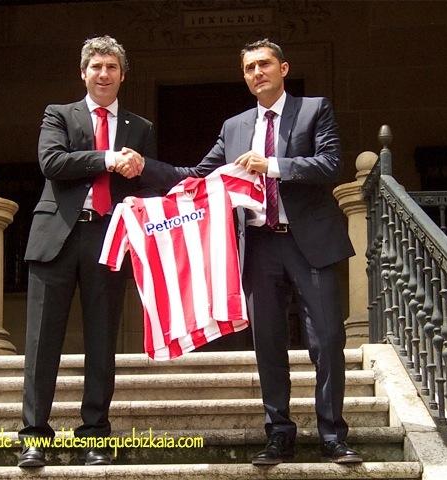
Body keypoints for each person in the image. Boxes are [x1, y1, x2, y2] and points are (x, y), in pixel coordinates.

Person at [170, 39, 362, 465]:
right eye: (250, 67)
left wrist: (272, 165)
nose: (258, 72)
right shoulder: (234, 125)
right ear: (244, 76)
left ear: (283, 68)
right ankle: (279, 434)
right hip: (258, 246)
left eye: (265, 64)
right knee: (268, 344)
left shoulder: (314, 109)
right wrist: (146, 172)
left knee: (327, 340)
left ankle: (332, 434)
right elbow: (201, 175)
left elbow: (331, 164)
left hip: (308, 241)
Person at [18, 35, 171, 468]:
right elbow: (52, 163)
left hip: (109, 239)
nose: (103, 74)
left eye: (111, 68)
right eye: (96, 67)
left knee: (103, 341)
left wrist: (149, 174)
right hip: (56, 239)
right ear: (83, 73)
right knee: (41, 341)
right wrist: (107, 159)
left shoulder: (140, 128)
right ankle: (34, 435)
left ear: (123, 75)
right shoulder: (59, 115)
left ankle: (95, 435)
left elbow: (146, 184)